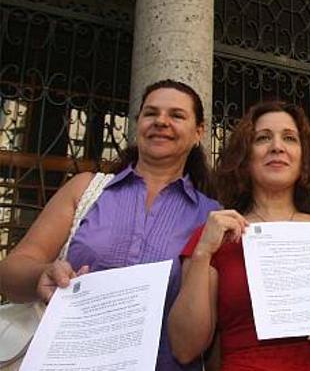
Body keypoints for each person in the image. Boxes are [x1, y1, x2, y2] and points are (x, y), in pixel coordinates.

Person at [0, 79, 219, 371]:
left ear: (198, 133)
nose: (161, 122)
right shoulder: (85, 189)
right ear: (138, 123)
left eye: (176, 115)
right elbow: (11, 272)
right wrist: (42, 274)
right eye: (151, 113)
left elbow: (195, 343)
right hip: (66, 361)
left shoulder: (211, 216)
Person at [168, 101, 310, 370]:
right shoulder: (214, 235)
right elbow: (185, 349)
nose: (277, 146)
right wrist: (202, 254)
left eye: (290, 138)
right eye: (263, 138)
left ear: (305, 157)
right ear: (244, 155)